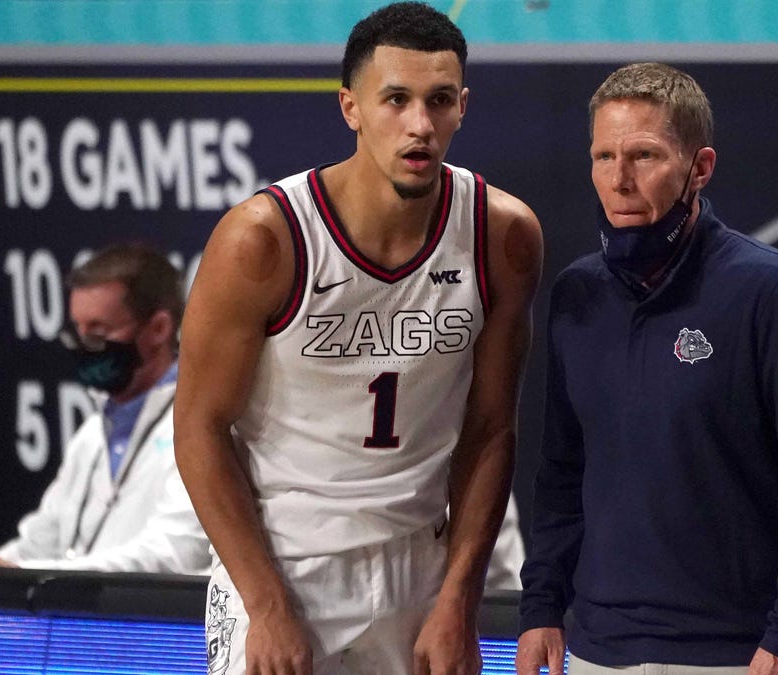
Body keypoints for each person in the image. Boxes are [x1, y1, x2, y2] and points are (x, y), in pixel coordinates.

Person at [172, 3, 543, 674]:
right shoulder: (265, 239)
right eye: (395, 100)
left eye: (438, 102)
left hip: (422, 569)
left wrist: (461, 597)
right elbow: (199, 426)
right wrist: (267, 604)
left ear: (463, 107)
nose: (419, 126)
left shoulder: (503, 235)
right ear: (351, 107)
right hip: (287, 563)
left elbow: (492, 427)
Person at [515, 63, 778, 675]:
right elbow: (561, 474)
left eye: (644, 156)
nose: (619, 180)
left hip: (735, 655)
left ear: (699, 167)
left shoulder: (773, 292)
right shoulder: (576, 295)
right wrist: (542, 604)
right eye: (603, 157)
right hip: (596, 650)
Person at [0, 242, 210, 575]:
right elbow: (40, 541)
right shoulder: (92, 435)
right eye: (75, 331)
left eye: (98, 332)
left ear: (158, 329)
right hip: (78, 621)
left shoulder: (199, 427)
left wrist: (19, 572)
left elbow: (174, 555)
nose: (82, 346)